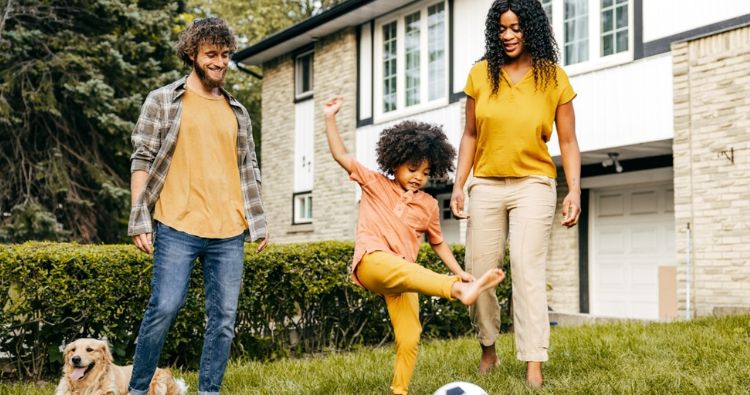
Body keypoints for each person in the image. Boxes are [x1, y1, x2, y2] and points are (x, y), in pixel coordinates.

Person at [322, 96, 506, 395]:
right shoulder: (375, 183)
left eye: (425, 172)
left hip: (404, 276)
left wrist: (460, 271)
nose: (418, 177)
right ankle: (458, 292)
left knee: (410, 336)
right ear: (395, 162)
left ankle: (399, 391)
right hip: (373, 263)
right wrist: (330, 117)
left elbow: (439, 243)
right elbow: (340, 153)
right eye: (412, 169)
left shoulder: (429, 205)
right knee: (403, 268)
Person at [127, 17, 268, 395]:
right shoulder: (163, 100)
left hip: (229, 232)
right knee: (164, 309)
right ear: (192, 54)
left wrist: (259, 222)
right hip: (176, 225)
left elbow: (249, 168)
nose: (219, 62)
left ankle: (208, 391)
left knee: (223, 320)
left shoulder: (237, 111)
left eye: (224, 55)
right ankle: (137, 389)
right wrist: (139, 218)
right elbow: (141, 158)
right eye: (211, 55)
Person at [450, 0, 581, 388]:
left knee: (526, 269)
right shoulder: (480, 75)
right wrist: (459, 183)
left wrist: (573, 189)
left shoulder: (553, 77)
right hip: (486, 183)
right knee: (479, 271)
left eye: (516, 28)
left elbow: (569, 141)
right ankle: (489, 347)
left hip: (534, 184)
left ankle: (533, 362)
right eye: (502, 29)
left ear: (532, 29)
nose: (508, 36)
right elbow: (470, 134)